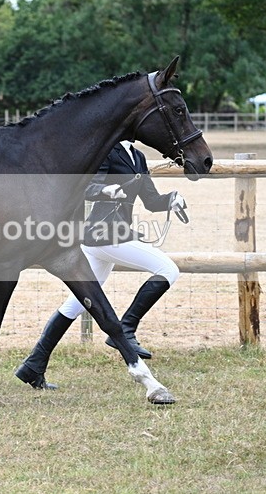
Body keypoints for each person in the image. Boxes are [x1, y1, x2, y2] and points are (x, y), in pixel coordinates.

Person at [15, 139, 187, 390]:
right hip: (104, 235)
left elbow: (150, 201)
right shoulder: (107, 152)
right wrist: (106, 191)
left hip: (108, 238)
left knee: (75, 304)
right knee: (168, 269)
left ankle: (33, 365)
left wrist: (171, 199)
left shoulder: (137, 157)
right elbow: (87, 187)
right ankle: (126, 329)